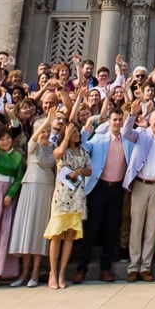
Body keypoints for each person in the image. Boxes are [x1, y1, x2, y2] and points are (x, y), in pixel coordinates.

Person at [82, 107, 133, 282]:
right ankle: (82, 268)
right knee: (92, 228)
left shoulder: (128, 141)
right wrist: (87, 127)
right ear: (109, 121)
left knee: (112, 230)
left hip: (117, 190)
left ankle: (106, 268)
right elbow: (83, 146)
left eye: (120, 119)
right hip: (99, 188)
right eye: (114, 120)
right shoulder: (99, 139)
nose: (117, 123)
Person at [6, 108, 56, 285]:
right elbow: (33, 139)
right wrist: (46, 121)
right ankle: (24, 273)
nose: (45, 132)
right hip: (30, 186)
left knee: (39, 231)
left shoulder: (53, 146)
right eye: (42, 129)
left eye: (48, 130)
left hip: (47, 187)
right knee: (27, 229)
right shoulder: (32, 146)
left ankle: (35, 272)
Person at [122, 106, 155, 281]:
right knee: (136, 226)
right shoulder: (141, 134)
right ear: (150, 120)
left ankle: (145, 267)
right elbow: (126, 132)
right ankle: (133, 267)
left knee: (151, 228)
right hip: (141, 184)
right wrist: (132, 114)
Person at [44, 113, 90, 289]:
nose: (76, 135)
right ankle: (52, 273)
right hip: (62, 197)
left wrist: (79, 171)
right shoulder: (61, 147)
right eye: (73, 132)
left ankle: (62, 272)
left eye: (77, 132)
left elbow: (89, 171)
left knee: (70, 236)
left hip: (77, 197)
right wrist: (66, 137)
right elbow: (58, 154)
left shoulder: (84, 151)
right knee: (56, 235)